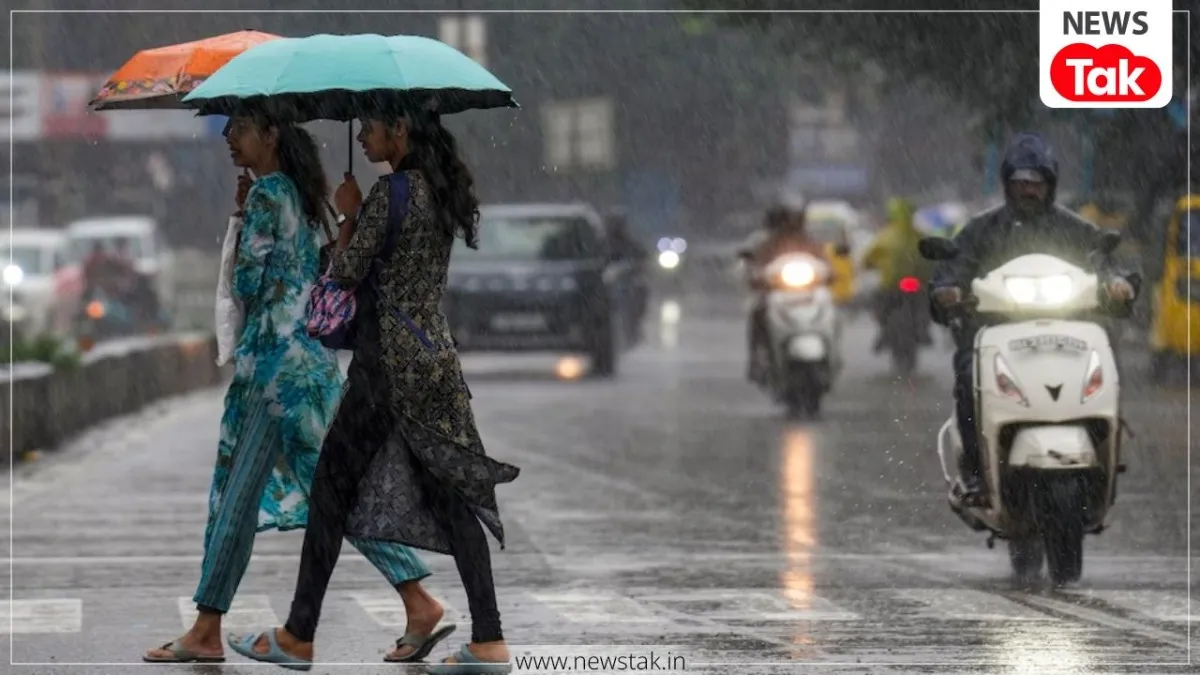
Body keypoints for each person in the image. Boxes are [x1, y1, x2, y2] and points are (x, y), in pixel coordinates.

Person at [227, 110, 520, 672]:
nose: (361, 137)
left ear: (401, 129)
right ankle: (489, 638)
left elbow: (344, 273)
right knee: (451, 497)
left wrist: (349, 214)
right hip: (432, 360)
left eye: (371, 128)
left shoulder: (392, 192)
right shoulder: (439, 191)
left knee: (331, 494)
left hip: (383, 367)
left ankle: (298, 634)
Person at [144, 113, 437, 665]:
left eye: (240, 128)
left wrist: (240, 216)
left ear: (271, 134)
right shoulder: (306, 194)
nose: (230, 137)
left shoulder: (265, 196)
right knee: (324, 494)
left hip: (271, 372)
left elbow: (248, 283)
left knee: (237, 495)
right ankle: (413, 596)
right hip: (311, 362)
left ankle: (210, 628)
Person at [928, 132, 1139, 506]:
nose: (1028, 190)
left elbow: (1106, 265)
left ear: (1050, 185)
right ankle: (977, 472)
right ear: (1008, 185)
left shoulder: (1075, 229)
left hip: (1068, 331)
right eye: (1020, 183)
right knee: (967, 374)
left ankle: (1102, 456)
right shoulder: (982, 230)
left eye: (1036, 183)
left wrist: (1118, 284)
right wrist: (947, 289)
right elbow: (952, 267)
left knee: (1109, 366)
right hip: (995, 332)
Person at [739, 198, 828, 382]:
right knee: (757, 312)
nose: (790, 223)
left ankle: (831, 353)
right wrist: (756, 276)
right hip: (775, 294)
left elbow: (824, 261)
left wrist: (830, 273)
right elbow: (753, 264)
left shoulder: (810, 241)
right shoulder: (765, 242)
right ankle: (757, 358)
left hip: (808, 294)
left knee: (831, 308)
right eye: (787, 219)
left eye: (794, 219)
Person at [861, 196, 933, 352]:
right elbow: (931, 259)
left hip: (891, 284)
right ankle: (923, 330)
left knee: (878, 303)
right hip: (916, 284)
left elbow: (868, 258)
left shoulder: (885, 236)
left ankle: (883, 332)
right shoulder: (920, 235)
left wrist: (868, 265)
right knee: (926, 303)